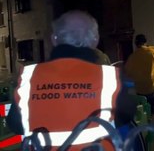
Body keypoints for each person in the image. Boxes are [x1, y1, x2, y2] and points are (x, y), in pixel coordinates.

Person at [6, 10, 137, 150]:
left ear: (54, 39)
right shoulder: (110, 77)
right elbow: (128, 114)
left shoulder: (29, 75)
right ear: (95, 40)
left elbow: (14, 124)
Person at [124, 34, 154, 115]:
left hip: (139, 88)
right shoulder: (151, 52)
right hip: (152, 85)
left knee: (142, 103)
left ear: (135, 44)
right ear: (145, 42)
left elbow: (127, 72)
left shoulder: (132, 57)